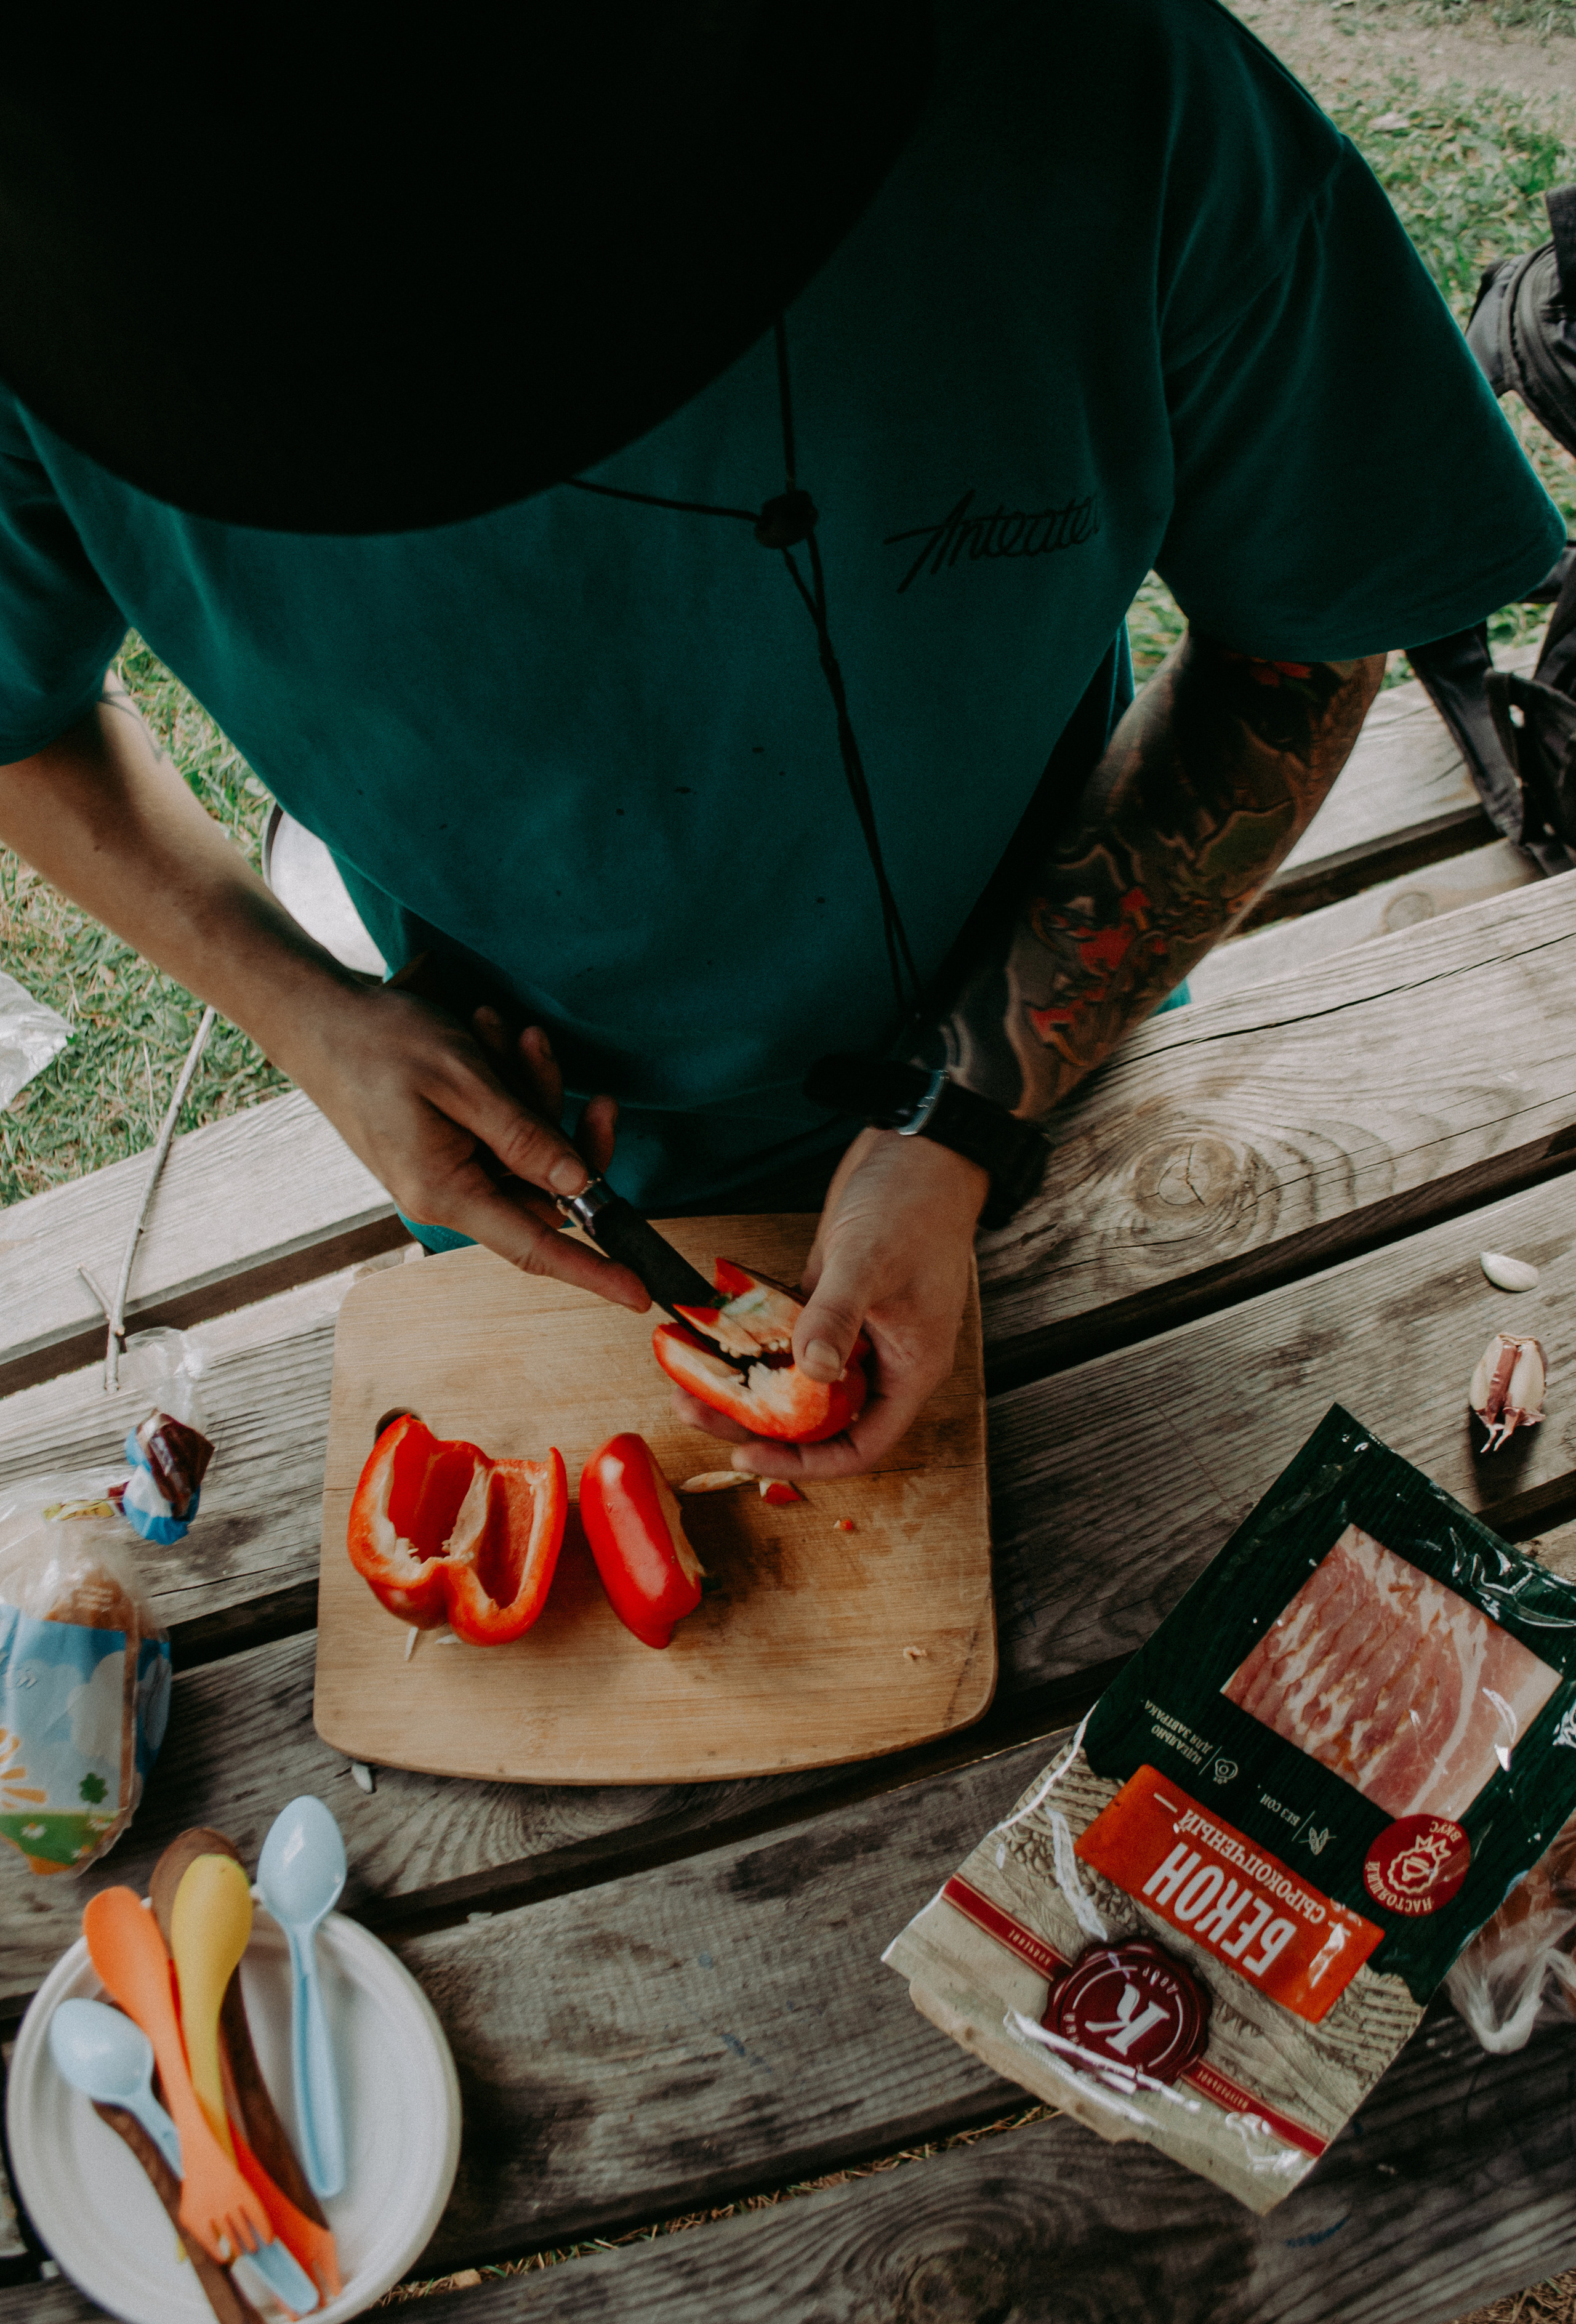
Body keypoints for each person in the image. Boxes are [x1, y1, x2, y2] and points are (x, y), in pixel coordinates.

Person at [0, 4, 1561, 1482]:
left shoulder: (1085, 71)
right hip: (521, 1155)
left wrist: (967, 1108)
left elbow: (1301, 631)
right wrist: (312, 1018)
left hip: (1077, 1055)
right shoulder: (49, 245)